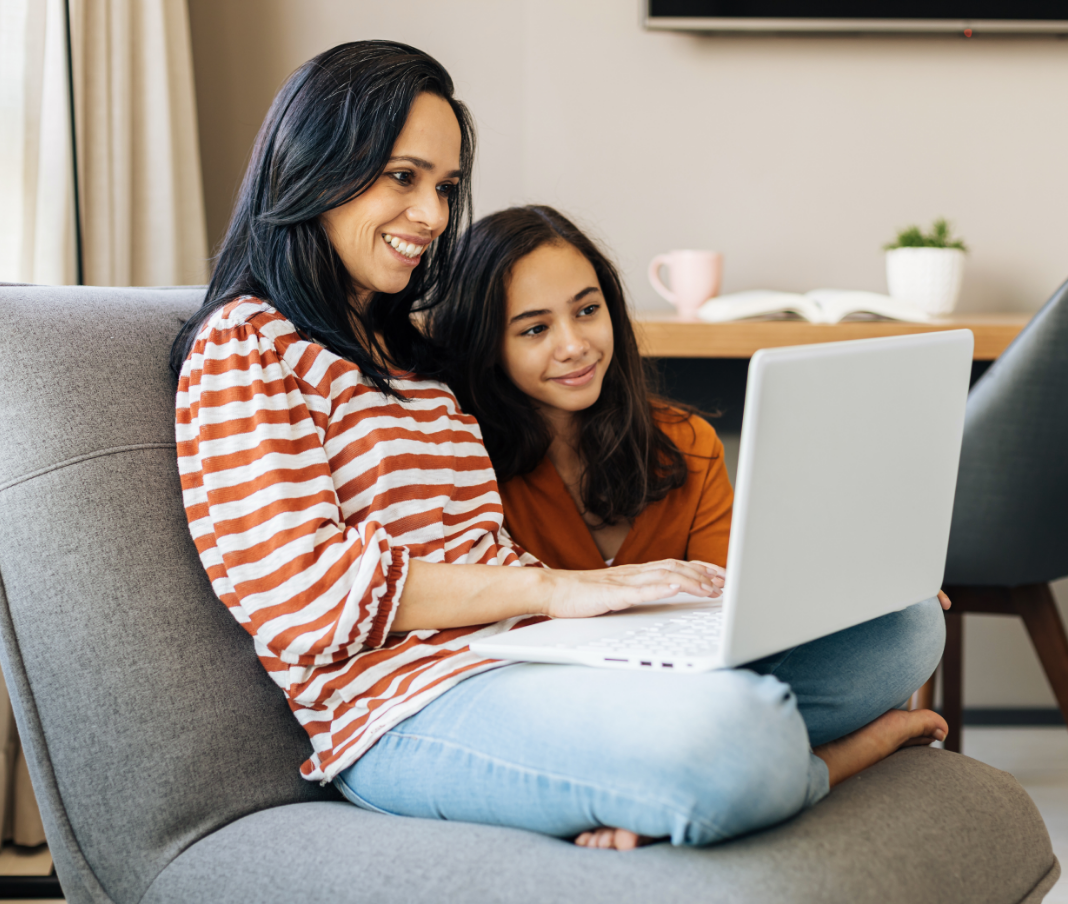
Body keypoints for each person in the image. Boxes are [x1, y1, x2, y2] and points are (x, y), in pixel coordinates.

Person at [173, 40, 948, 854]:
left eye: (443, 186)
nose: (434, 216)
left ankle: (667, 770)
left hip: (531, 655)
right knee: (735, 740)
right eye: (403, 178)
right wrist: (554, 591)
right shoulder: (247, 343)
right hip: (401, 709)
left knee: (901, 629)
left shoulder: (407, 357)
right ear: (314, 162)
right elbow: (302, 595)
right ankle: (818, 763)